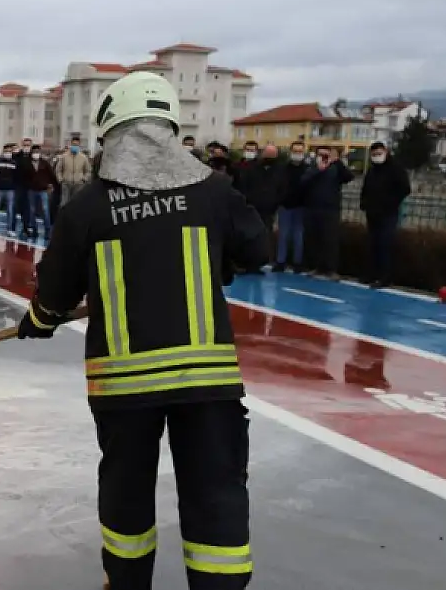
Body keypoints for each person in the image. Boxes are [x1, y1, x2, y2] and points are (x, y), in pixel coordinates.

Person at [16, 71, 267, 590]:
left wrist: (38, 320)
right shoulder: (214, 192)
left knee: (126, 493)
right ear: (170, 127)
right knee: (216, 493)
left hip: (125, 389)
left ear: (110, 130)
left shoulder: (86, 207)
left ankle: (127, 583)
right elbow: (258, 249)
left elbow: (56, 291)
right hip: (207, 385)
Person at [359, 141, 411, 287]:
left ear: (386, 152)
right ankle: (371, 274)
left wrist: (391, 203)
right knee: (373, 244)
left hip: (388, 214)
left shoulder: (396, 169)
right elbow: (365, 188)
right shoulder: (372, 170)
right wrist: (363, 203)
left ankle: (384, 277)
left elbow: (405, 188)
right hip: (372, 213)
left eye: (379, 154)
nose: (377, 157)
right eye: (374, 154)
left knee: (385, 244)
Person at [300, 147, 354, 280]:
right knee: (314, 239)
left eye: (326, 154)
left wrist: (338, 162)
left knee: (330, 240)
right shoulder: (312, 167)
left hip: (331, 210)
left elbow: (349, 177)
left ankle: (331, 269)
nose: (324, 157)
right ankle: (316, 267)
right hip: (312, 208)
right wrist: (318, 169)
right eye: (321, 154)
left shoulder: (336, 168)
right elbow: (303, 181)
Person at [236, 144, 286, 273]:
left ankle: (257, 264)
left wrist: (276, 201)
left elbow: (282, 188)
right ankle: (243, 263)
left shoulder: (280, 170)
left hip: (269, 209)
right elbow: (243, 185)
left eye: (272, 155)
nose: (270, 157)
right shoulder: (252, 168)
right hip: (251, 207)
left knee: (264, 238)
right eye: (268, 154)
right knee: (248, 236)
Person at [274, 141, 308, 273]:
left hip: (301, 206)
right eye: (295, 151)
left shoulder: (308, 168)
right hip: (285, 205)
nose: (298, 154)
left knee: (298, 235)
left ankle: (297, 263)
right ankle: (280, 262)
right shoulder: (283, 168)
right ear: (290, 152)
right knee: (283, 234)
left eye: (300, 151)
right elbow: (277, 185)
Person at [26, 144, 58, 240]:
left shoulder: (45, 163)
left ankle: (47, 231)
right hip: (31, 190)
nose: (36, 154)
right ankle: (34, 230)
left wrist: (52, 185)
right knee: (32, 211)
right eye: (34, 152)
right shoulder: (27, 163)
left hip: (43, 190)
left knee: (45, 210)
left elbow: (52, 175)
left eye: (37, 152)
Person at [55, 135, 91, 205]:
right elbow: (58, 169)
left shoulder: (83, 157)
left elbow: (88, 170)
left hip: (79, 184)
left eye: (77, 145)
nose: (75, 146)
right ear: (71, 144)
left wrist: (84, 179)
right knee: (64, 203)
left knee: (77, 203)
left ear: (79, 145)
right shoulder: (64, 156)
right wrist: (61, 180)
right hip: (66, 184)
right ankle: (63, 215)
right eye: (74, 144)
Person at [0, 144, 19, 234]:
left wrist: (14, 186)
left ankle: (10, 229)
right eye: (6, 151)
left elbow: (16, 176)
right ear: (3, 152)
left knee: (10, 210)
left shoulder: (14, 163)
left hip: (10, 190)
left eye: (9, 151)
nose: (8, 153)